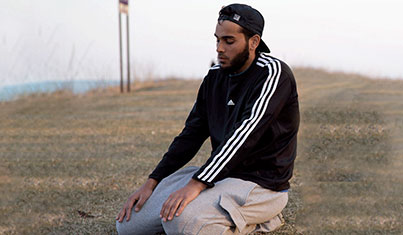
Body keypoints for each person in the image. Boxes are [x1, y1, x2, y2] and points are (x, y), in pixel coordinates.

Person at [116, 3, 299, 235]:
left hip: (262, 186)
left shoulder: (274, 74)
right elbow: (190, 135)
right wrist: (152, 182)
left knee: (178, 222)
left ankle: (265, 220)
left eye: (229, 41)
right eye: (217, 40)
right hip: (220, 176)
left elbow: (245, 135)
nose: (219, 48)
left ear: (253, 42)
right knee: (129, 226)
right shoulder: (214, 77)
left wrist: (197, 183)